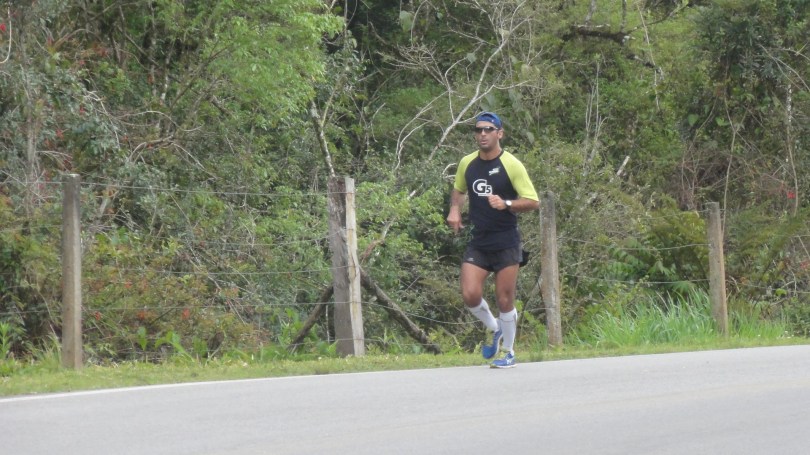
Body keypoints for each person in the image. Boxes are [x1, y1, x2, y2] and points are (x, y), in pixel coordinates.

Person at [446, 111, 539, 368]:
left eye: (488, 129)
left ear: (500, 134)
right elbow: (459, 190)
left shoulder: (512, 165)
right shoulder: (467, 163)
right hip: (479, 240)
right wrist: (454, 210)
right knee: (470, 294)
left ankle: (508, 352)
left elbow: (533, 201)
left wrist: (506, 203)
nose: (483, 134)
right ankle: (494, 328)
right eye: (478, 130)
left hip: (506, 241)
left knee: (504, 299)